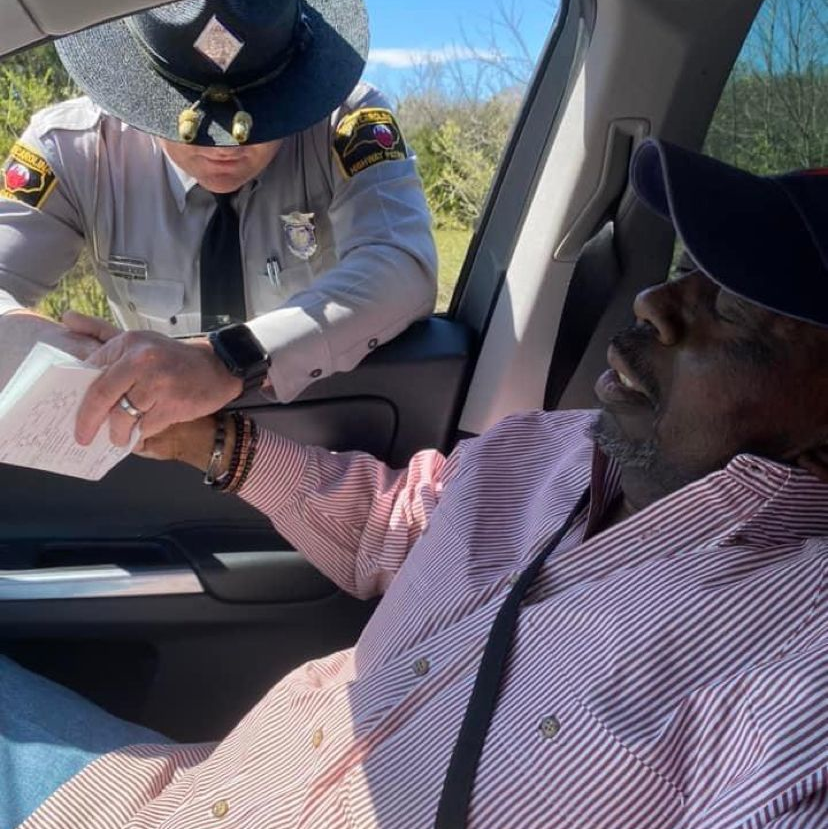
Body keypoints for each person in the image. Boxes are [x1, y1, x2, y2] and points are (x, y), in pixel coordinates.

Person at [7, 138, 828, 828]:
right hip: (174, 796)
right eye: (688, 268)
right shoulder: (545, 447)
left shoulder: (801, 674)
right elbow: (388, 523)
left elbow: (397, 265)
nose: (654, 300)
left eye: (737, 307)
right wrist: (206, 440)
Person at [0, 0, 437, 446]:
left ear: (298, 86)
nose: (223, 148)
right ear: (134, 85)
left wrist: (228, 359)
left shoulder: (344, 124)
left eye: (260, 116)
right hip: (154, 441)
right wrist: (75, 360)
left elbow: (401, 265)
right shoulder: (75, 150)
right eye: (190, 121)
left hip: (314, 440)